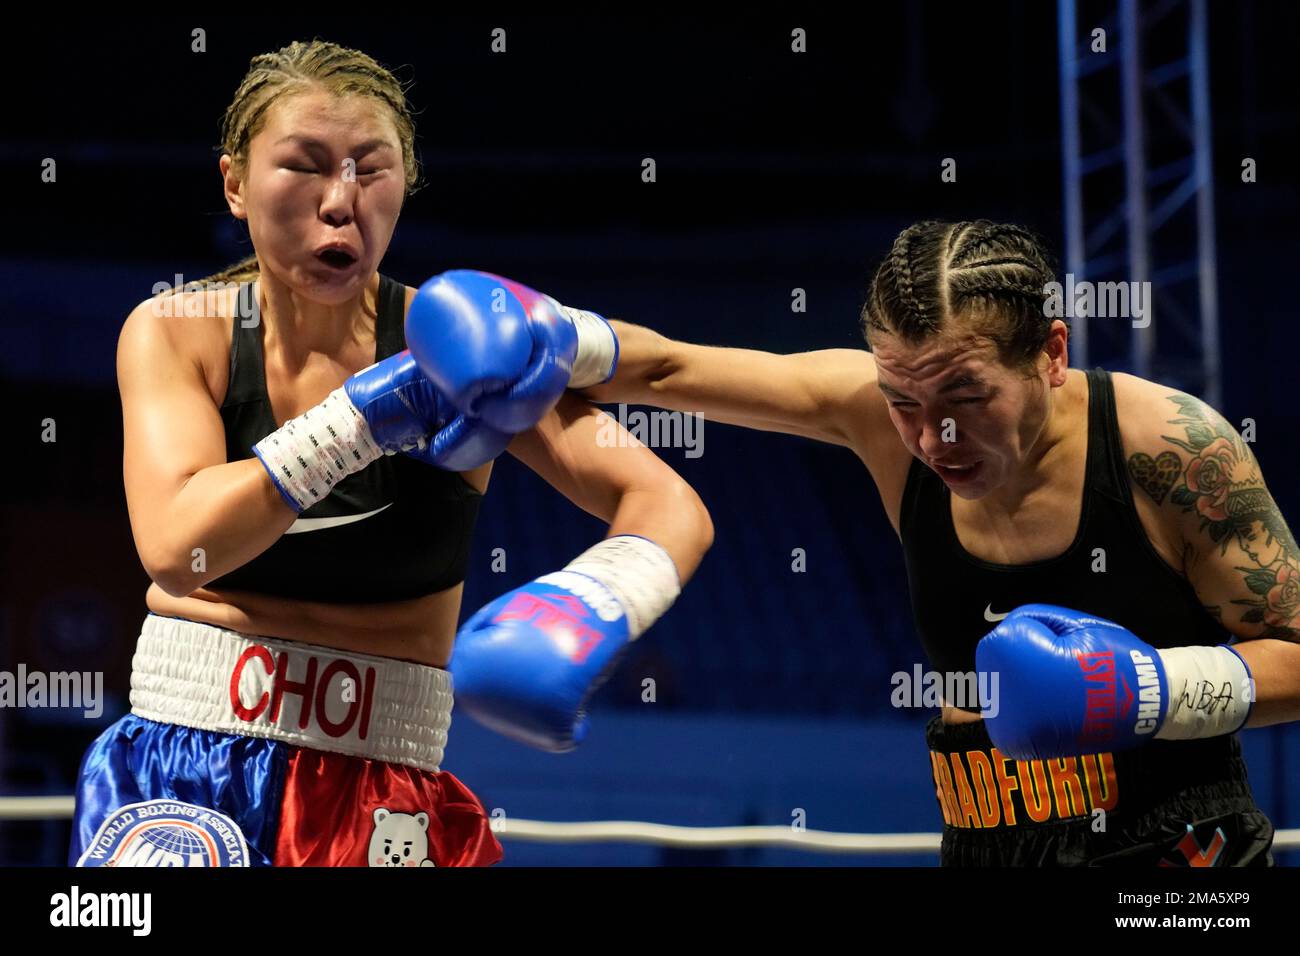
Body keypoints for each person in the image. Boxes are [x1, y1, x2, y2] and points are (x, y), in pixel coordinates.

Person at [69, 39, 712, 868]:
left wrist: (592, 599)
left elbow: (668, 505)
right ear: (234, 183)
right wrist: (364, 420)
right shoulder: (178, 332)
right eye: (304, 165)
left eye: (372, 169)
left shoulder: (470, 348)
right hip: (185, 766)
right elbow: (176, 548)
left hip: (388, 791)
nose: (342, 202)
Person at [576, 219, 1300, 866]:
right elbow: (663, 367)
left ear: (1051, 353)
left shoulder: (1170, 447)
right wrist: (548, 335)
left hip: (1181, 855)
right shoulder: (870, 415)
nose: (933, 438)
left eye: (966, 398)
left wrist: (1148, 690)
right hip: (985, 839)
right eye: (903, 403)